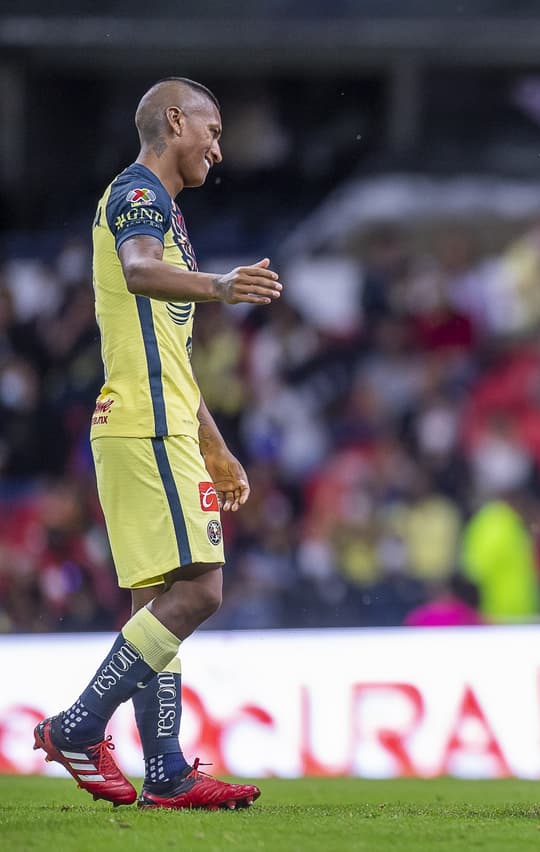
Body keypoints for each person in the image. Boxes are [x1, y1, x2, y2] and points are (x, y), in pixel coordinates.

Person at [32, 78, 281, 810]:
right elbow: (140, 270)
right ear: (174, 120)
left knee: (158, 603)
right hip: (144, 423)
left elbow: (169, 349)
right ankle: (79, 727)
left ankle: (167, 771)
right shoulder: (139, 194)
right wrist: (224, 285)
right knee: (201, 589)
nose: (218, 146)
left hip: (160, 419)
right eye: (212, 127)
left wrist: (217, 445)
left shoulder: (163, 209)